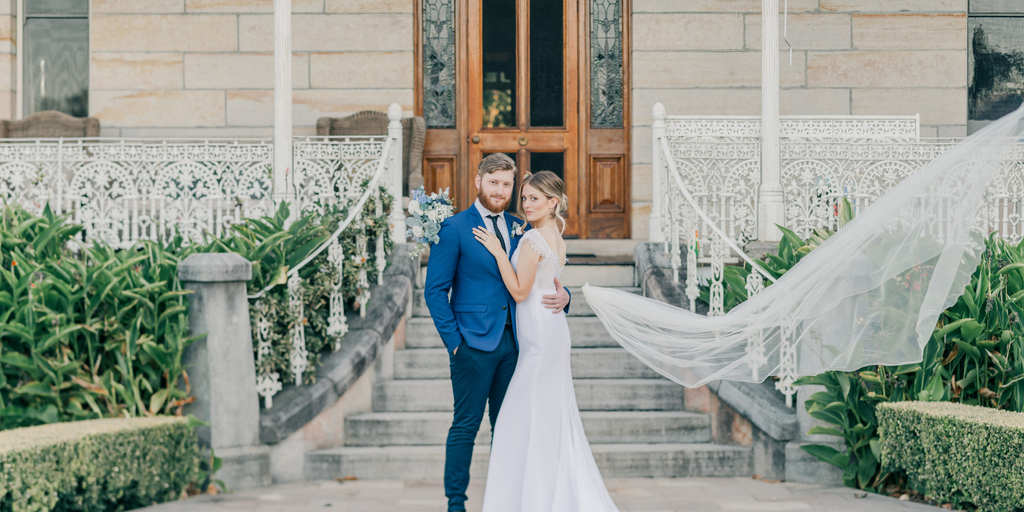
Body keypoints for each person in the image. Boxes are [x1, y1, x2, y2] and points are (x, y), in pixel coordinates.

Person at [423, 154, 572, 512]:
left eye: (508, 184)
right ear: (478, 182)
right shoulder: (455, 227)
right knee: (466, 426)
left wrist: (565, 298)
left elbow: (538, 279)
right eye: (494, 183)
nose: (501, 191)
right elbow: (434, 291)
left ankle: (508, 500)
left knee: (510, 427)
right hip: (472, 345)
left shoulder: (525, 227)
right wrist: (455, 344)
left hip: (518, 345)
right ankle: (455, 504)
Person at [473, 171, 620, 512]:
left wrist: (497, 252)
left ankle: (531, 500)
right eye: (523, 198)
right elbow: (552, 283)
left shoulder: (531, 240)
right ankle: (542, 495)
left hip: (539, 335)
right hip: (550, 328)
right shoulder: (554, 233)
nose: (525, 204)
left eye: (534, 198)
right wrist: (565, 295)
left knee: (519, 416)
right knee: (547, 414)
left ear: (552, 202)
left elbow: (521, 291)